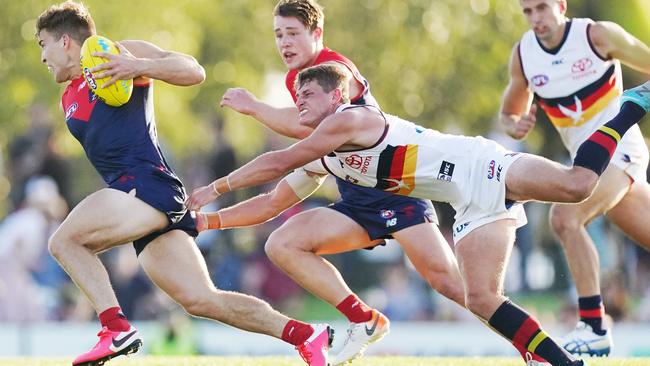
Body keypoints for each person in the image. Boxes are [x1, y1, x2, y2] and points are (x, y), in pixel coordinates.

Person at [188, 64, 650, 365]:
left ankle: (629, 106)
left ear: (337, 96)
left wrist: (215, 187)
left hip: (482, 165)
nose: (300, 101)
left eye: (307, 93)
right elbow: (272, 202)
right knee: (480, 298)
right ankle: (559, 361)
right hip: (467, 204)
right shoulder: (324, 153)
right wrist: (207, 221)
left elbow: (277, 161)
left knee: (577, 185)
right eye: (296, 95)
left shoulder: (353, 118)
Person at [36, 2, 333, 365]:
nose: (42, 57)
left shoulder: (119, 53)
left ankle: (115, 329)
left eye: (43, 45)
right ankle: (307, 335)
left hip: (146, 185)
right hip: (141, 197)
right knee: (202, 300)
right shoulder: (69, 94)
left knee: (65, 241)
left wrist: (138, 66)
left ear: (65, 40)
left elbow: (194, 71)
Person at [219, 1, 466, 363]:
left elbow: (310, 126)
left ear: (317, 34)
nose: (284, 43)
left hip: (391, 190)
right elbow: (312, 134)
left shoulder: (337, 68)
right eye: (278, 35)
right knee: (283, 244)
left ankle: (527, 339)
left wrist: (255, 107)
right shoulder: (296, 79)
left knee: (449, 283)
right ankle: (363, 318)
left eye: (292, 33)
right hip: (355, 197)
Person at [500, 0, 650, 356]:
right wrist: (515, 125)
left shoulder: (596, 35)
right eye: (528, 12)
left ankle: (594, 325)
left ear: (561, 5)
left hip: (622, 150)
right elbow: (509, 111)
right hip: (587, 162)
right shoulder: (523, 56)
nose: (536, 18)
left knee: (565, 217)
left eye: (542, 8)